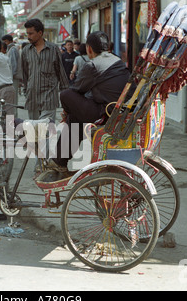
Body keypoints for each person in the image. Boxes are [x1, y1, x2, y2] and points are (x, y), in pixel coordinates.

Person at [45, 31, 136, 181]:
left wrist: (66, 111)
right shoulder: (117, 60)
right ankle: (59, 161)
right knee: (75, 118)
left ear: (88, 49)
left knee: (65, 95)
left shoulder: (93, 65)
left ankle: (59, 161)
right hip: (118, 110)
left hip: (107, 113)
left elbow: (76, 89)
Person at [21, 18, 69, 122]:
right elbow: (25, 74)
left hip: (49, 97)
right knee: (33, 132)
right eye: (27, 34)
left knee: (44, 130)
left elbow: (61, 72)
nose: (28, 37)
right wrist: (26, 91)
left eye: (31, 33)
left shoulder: (53, 49)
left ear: (40, 33)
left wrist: (65, 97)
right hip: (32, 97)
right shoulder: (26, 51)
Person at [1, 34, 21, 107]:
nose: (4, 44)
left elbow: (13, 66)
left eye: (5, 42)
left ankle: (12, 118)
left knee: (12, 102)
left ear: (10, 41)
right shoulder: (10, 49)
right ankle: (11, 118)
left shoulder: (12, 49)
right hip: (12, 79)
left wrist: (9, 79)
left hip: (13, 79)